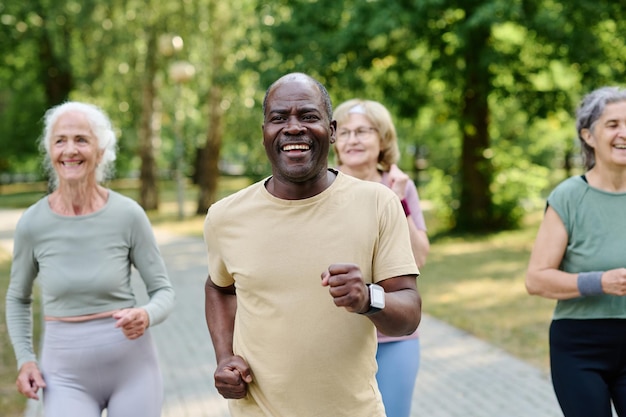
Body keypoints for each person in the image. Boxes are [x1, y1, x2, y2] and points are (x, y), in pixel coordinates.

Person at [203, 72, 421, 417]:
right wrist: (224, 357)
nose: (294, 128)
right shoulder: (225, 216)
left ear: (331, 130)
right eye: (278, 118)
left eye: (308, 116)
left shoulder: (378, 203)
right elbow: (219, 289)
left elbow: (409, 314)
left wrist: (367, 297)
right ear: (264, 134)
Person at [5, 101, 175, 417]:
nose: (70, 150)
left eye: (81, 139)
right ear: (50, 151)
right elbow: (17, 298)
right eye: (61, 140)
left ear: (101, 151)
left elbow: (164, 291)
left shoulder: (128, 215)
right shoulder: (32, 224)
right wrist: (26, 359)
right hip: (64, 376)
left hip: (133, 370)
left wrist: (146, 315)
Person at [525, 86, 626, 417]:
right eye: (612, 124)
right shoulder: (569, 196)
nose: (623, 133)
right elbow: (537, 280)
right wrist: (600, 282)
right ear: (588, 135)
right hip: (580, 346)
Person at [333, 98, 430, 417]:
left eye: (362, 131)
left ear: (383, 138)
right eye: (344, 132)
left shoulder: (399, 185)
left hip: (392, 334)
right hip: (335, 332)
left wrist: (398, 200)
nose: (352, 139)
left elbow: (418, 259)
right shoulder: (322, 185)